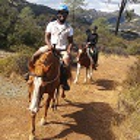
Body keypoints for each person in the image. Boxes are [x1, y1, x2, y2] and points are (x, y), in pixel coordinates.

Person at [30, 4, 73, 90]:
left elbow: (71, 42)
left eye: (64, 13)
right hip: (50, 47)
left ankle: (64, 81)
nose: (62, 15)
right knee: (35, 55)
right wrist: (49, 46)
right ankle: (31, 73)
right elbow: (47, 37)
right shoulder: (51, 24)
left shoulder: (69, 28)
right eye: (60, 13)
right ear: (58, 14)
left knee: (67, 64)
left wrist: (68, 50)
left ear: (67, 15)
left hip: (61, 50)